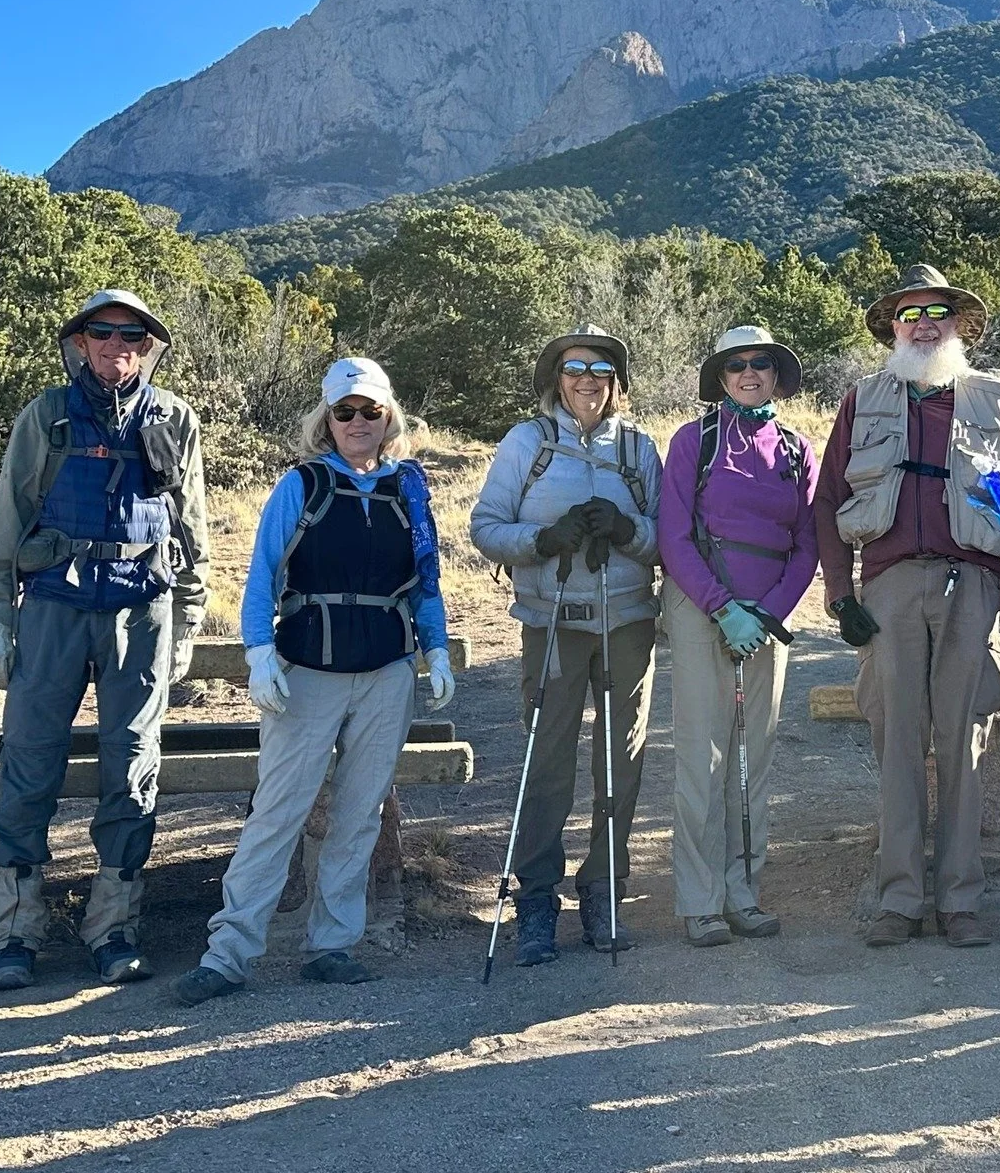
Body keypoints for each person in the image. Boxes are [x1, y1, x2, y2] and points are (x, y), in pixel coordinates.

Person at [173, 358, 452, 1006]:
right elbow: (261, 576)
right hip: (307, 671)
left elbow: (425, 584)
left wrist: (435, 650)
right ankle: (229, 953)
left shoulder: (407, 491)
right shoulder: (301, 486)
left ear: (389, 417)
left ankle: (332, 945)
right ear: (326, 420)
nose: (358, 422)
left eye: (370, 411)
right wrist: (260, 653)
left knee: (358, 817)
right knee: (278, 814)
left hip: (386, 670)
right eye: (345, 412)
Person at [0, 290, 209, 990]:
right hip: (53, 608)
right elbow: (8, 517)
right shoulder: (46, 416)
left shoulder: (175, 419)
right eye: (100, 332)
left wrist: (189, 616)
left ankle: (114, 928)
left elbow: (192, 525)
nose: (115, 344)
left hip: (143, 611)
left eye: (130, 333)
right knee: (30, 760)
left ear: (147, 344)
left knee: (132, 765)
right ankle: (13, 933)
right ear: (79, 343)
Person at [814, 265, 1000, 949]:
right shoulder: (863, 400)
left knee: (962, 747)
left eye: (936, 312)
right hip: (888, 588)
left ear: (957, 325)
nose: (923, 324)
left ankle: (959, 901)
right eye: (909, 314)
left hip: (970, 585)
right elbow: (828, 500)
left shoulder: (990, 401)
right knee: (896, 747)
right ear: (893, 328)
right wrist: (840, 595)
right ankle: (898, 899)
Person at [470, 322, 663, 964]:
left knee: (620, 760)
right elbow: (486, 526)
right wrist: (541, 540)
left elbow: (670, 540)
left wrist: (629, 530)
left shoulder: (639, 450)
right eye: (575, 367)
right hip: (550, 620)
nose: (587, 379)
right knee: (545, 758)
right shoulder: (528, 443)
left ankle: (605, 888)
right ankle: (537, 899)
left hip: (628, 620)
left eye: (601, 369)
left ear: (617, 383)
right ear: (557, 377)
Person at [657, 325, 819, 947]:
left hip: (768, 617)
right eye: (736, 365)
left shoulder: (797, 449)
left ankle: (743, 893)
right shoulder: (693, 442)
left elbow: (807, 544)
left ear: (777, 376)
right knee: (704, 756)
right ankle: (701, 902)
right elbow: (673, 536)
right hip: (702, 607)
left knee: (754, 760)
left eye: (761, 364)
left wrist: (769, 612)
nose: (749, 373)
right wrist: (725, 609)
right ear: (720, 379)